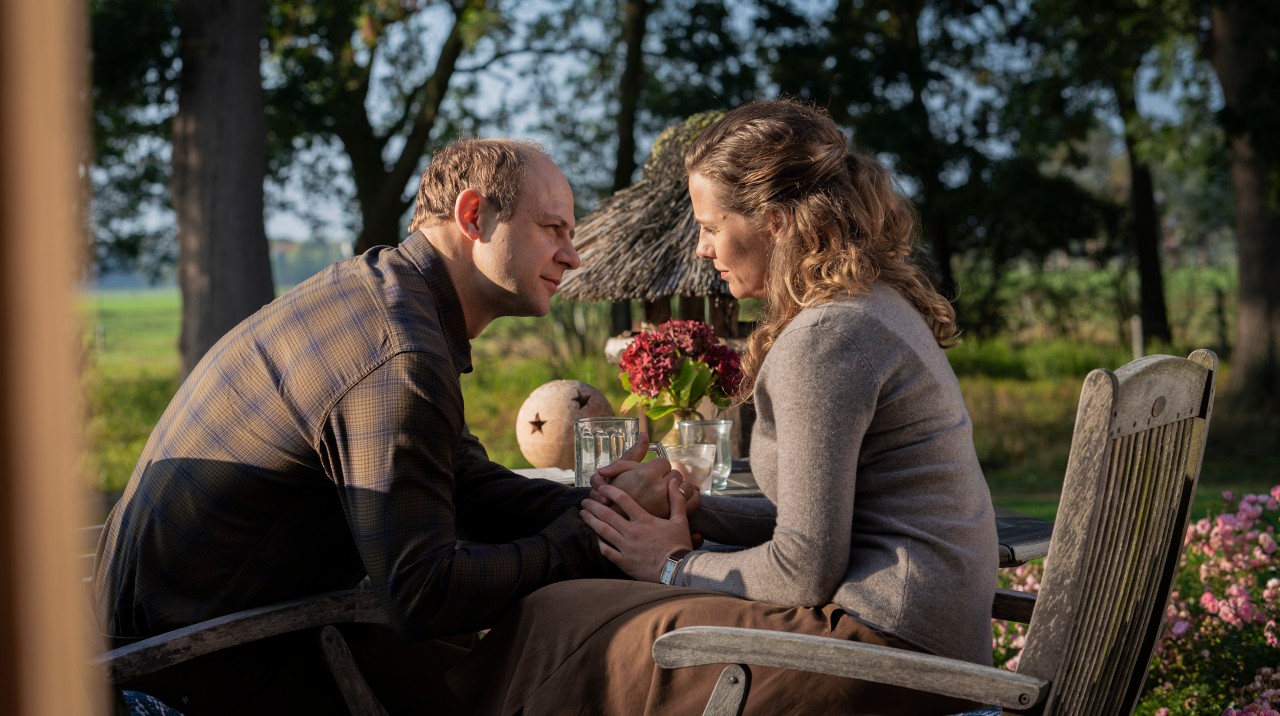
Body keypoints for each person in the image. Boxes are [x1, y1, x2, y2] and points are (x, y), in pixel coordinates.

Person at [94, 137, 690, 715]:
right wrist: (592, 543)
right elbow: (423, 594)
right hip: (183, 681)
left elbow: (465, 482)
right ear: (473, 215)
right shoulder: (400, 355)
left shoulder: (380, 297)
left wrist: (607, 509)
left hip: (189, 647)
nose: (572, 255)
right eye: (552, 229)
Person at [448, 99, 999, 715]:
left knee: (563, 621)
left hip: (884, 651)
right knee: (567, 611)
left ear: (777, 221)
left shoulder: (828, 338)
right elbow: (838, 525)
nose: (704, 250)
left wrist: (672, 565)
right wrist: (704, 512)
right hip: (911, 633)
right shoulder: (867, 307)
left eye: (710, 228)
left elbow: (803, 572)